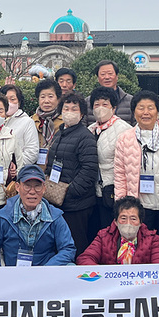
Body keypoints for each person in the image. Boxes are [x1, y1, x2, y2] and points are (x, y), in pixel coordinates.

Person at [114, 91, 159, 239]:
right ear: (133, 111)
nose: (146, 112)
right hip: (139, 206)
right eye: (141, 108)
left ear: (158, 111)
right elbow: (119, 173)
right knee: (142, 246)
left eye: (150, 108)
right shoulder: (125, 138)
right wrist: (121, 203)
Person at [0, 165, 76, 266]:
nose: (32, 192)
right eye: (27, 186)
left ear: (44, 188)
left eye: (37, 186)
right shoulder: (3, 216)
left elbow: (68, 248)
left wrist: (47, 269)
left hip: (46, 274)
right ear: (18, 187)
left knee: (71, 266)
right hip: (13, 275)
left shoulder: (55, 216)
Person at [44, 92, 99, 254]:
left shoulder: (85, 137)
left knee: (76, 245)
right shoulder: (60, 133)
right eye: (66, 108)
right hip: (56, 199)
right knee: (58, 244)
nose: (69, 112)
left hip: (77, 204)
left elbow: (89, 170)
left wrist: (69, 192)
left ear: (82, 113)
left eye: (74, 108)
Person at [88, 85, 131, 231]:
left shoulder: (123, 129)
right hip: (93, 191)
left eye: (105, 104)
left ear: (113, 108)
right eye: (96, 105)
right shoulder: (91, 129)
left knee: (111, 231)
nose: (100, 108)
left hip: (113, 190)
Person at [77, 196, 159, 265]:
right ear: (115, 221)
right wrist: (103, 275)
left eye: (133, 219)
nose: (128, 223)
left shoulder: (152, 239)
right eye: (123, 218)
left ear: (140, 222)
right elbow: (85, 258)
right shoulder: (104, 236)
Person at [1, 83, 40, 170]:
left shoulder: (27, 122)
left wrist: (14, 165)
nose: (9, 103)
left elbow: (32, 153)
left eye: (13, 99)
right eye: (5, 99)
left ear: (19, 102)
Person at [87, 60, 134, 124]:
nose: (107, 77)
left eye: (110, 74)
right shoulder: (88, 101)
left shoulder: (131, 101)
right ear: (98, 78)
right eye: (103, 74)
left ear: (117, 76)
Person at [31, 79, 63, 165]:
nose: (46, 101)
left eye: (50, 96)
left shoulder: (64, 122)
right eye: (42, 97)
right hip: (35, 170)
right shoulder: (31, 121)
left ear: (58, 98)